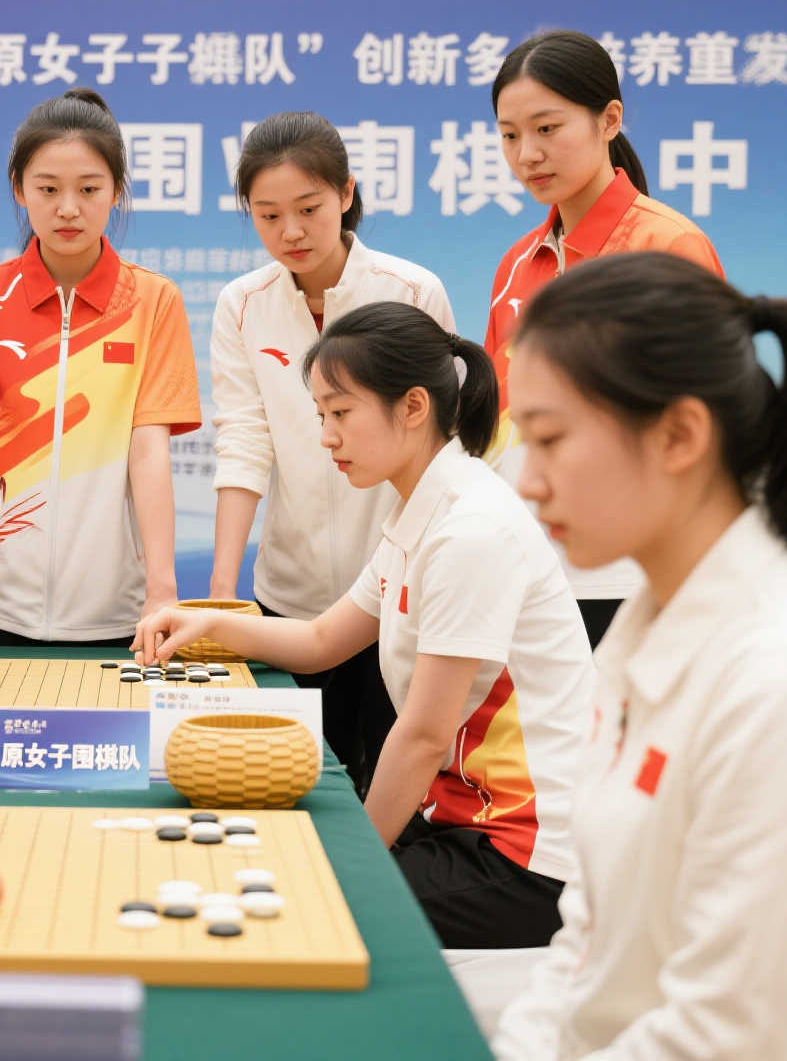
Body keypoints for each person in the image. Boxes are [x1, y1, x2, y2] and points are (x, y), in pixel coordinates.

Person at [491, 252, 787, 1058]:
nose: (526, 481)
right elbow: (584, 943)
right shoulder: (645, 629)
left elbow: (727, 1035)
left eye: (550, 439)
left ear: (679, 435)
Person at [136, 303, 593, 949]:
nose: (325, 436)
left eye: (340, 413)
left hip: (527, 857)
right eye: (321, 415)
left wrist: (351, 863)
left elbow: (424, 734)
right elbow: (322, 641)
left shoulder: (471, 531)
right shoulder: (422, 514)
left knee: (297, 896)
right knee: (279, 854)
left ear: (412, 407)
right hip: (459, 820)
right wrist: (207, 620)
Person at [211, 111, 457, 798]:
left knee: (395, 786)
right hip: (286, 599)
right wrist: (225, 593)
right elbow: (244, 439)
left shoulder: (413, 293)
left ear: (346, 195)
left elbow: (442, 446)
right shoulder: (242, 304)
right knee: (291, 787)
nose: (290, 231)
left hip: (395, 598)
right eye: (267, 215)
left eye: (308, 208)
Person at [0, 87, 200, 649]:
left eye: (89, 189)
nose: (69, 208)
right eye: (48, 189)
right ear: (20, 190)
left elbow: (149, 450)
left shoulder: (154, 302)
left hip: (117, 615)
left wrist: (162, 587)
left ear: (115, 191)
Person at [485, 30, 724, 645]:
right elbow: (498, 431)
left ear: (608, 120)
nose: (527, 154)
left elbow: (706, 419)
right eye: (510, 135)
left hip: (636, 574)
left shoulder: (668, 248)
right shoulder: (516, 263)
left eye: (547, 128)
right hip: (532, 572)